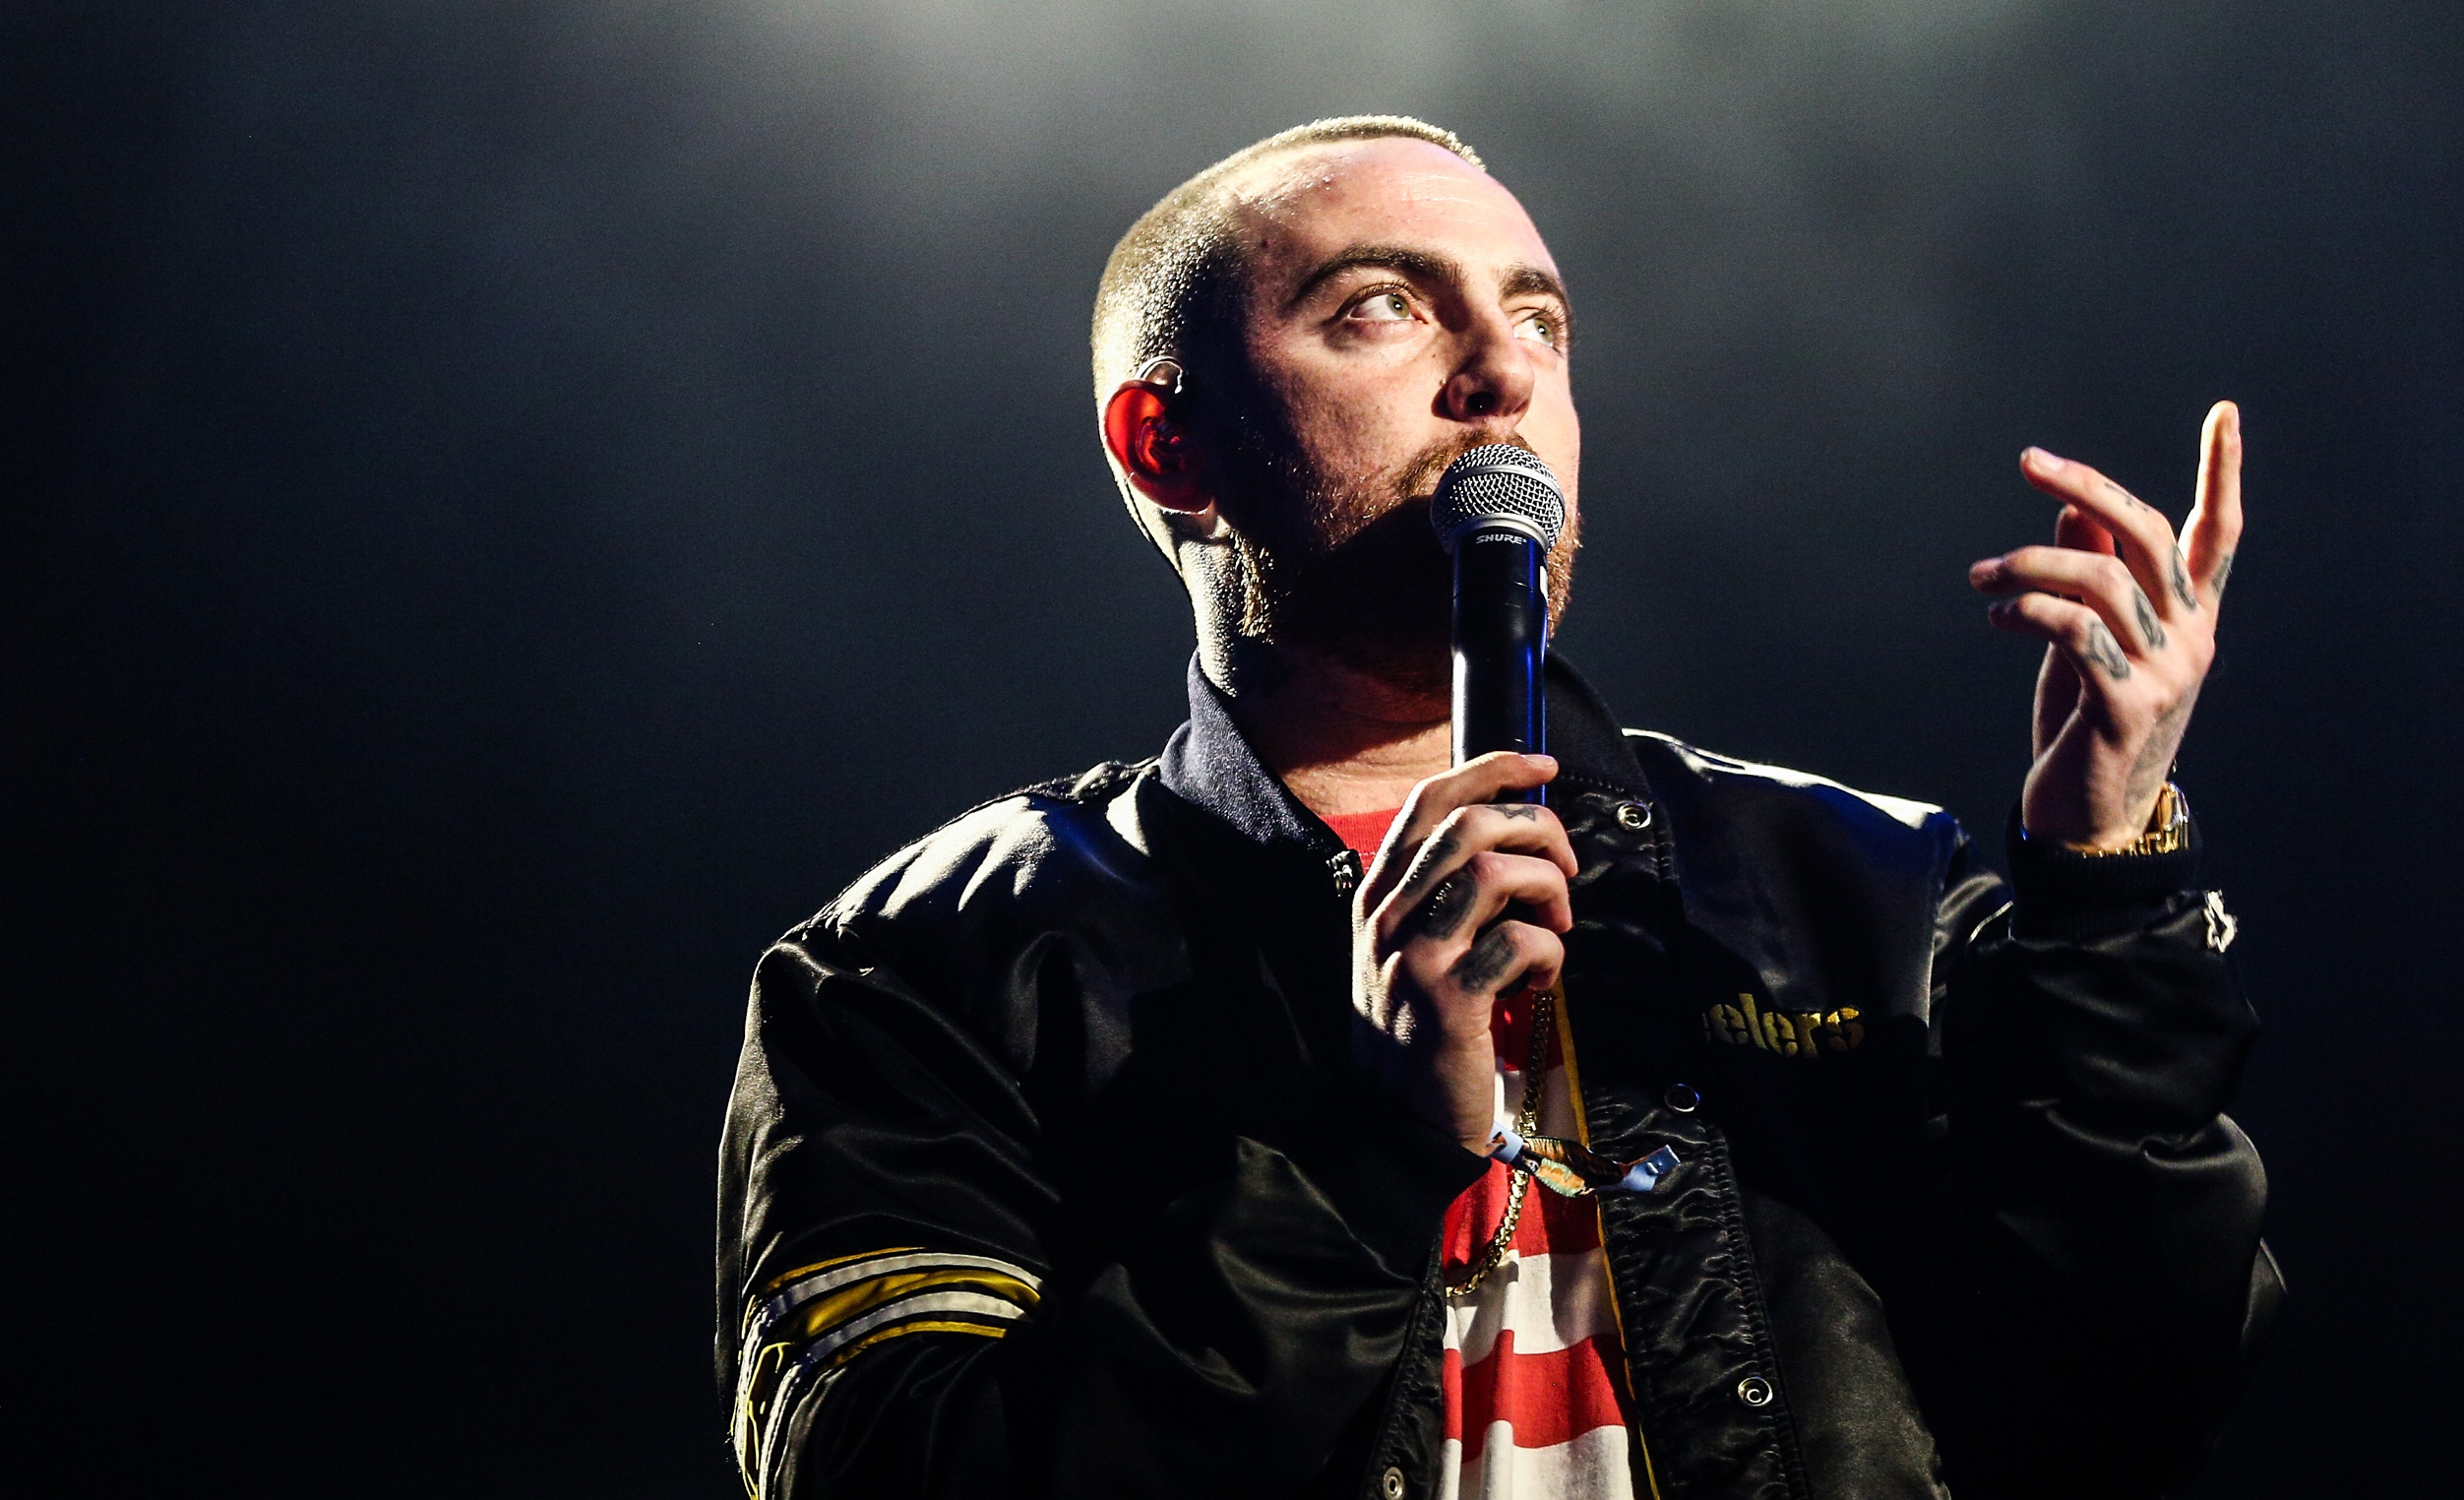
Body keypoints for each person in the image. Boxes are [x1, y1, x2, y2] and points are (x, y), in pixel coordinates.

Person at [716, 116, 2279, 1500]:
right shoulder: (924, 971)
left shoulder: (1862, 890)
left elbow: (2123, 1408)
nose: (1505, 370)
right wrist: (1375, 1156)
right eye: (1383, 308)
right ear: (1168, 445)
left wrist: (2100, 892)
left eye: (1540, 318)